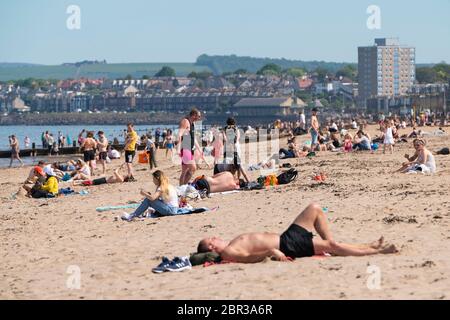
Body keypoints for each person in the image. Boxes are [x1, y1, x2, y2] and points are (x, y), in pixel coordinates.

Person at [197, 203, 398, 263]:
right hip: (287, 246)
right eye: (211, 239)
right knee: (331, 246)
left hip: (286, 237)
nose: (215, 237)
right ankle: (377, 251)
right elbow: (249, 257)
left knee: (315, 209)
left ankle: (358, 247)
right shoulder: (228, 253)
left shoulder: (231, 245)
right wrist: (269, 252)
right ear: (211, 247)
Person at [178, 108, 202, 185]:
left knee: (184, 172)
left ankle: (181, 187)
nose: (199, 118)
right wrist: (178, 149)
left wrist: (199, 149)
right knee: (193, 168)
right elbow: (179, 134)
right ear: (194, 115)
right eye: (199, 116)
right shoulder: (185, 121)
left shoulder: (192, 124)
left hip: (189, 149)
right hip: (185, 148)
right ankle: (184, 186)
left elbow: (193, 138)